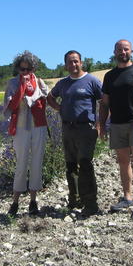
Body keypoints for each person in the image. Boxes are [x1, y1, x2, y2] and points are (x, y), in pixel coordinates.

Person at [98, 39, 133, 214]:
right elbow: (105, 104)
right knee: (123, 162)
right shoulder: (109, 76)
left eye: (126, 49)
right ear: (114, 52)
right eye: (119, 50)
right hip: (117, 124)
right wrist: (102, 124)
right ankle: (127, 197)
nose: (123, 52)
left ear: (132, 51)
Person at [47, 50, 103, 217]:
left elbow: (105, 101)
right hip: (68, 128)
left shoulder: (92, 81)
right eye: (70, 62)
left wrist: (100, 124)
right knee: (71, 165)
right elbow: (50, 97)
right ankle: (74, 199)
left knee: (85, 163)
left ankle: (91, 203)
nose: (73, 65)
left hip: (86, 128)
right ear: (65, 65)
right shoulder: (63, 83)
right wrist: (59, 108)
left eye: (76, 61)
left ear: (81, 62)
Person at [4, 51, 50, 216]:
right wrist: (22, 87)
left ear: (33, 68)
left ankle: (33, 200)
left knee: (37, 161)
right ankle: (15, 202)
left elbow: (48, 101)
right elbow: (12, 105)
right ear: (17, 68)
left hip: (39, 126)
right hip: (21, 127)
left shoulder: (40, 83)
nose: (25, 72)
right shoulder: (12, 83)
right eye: (22, 69)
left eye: (28, 69)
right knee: (21, 163)